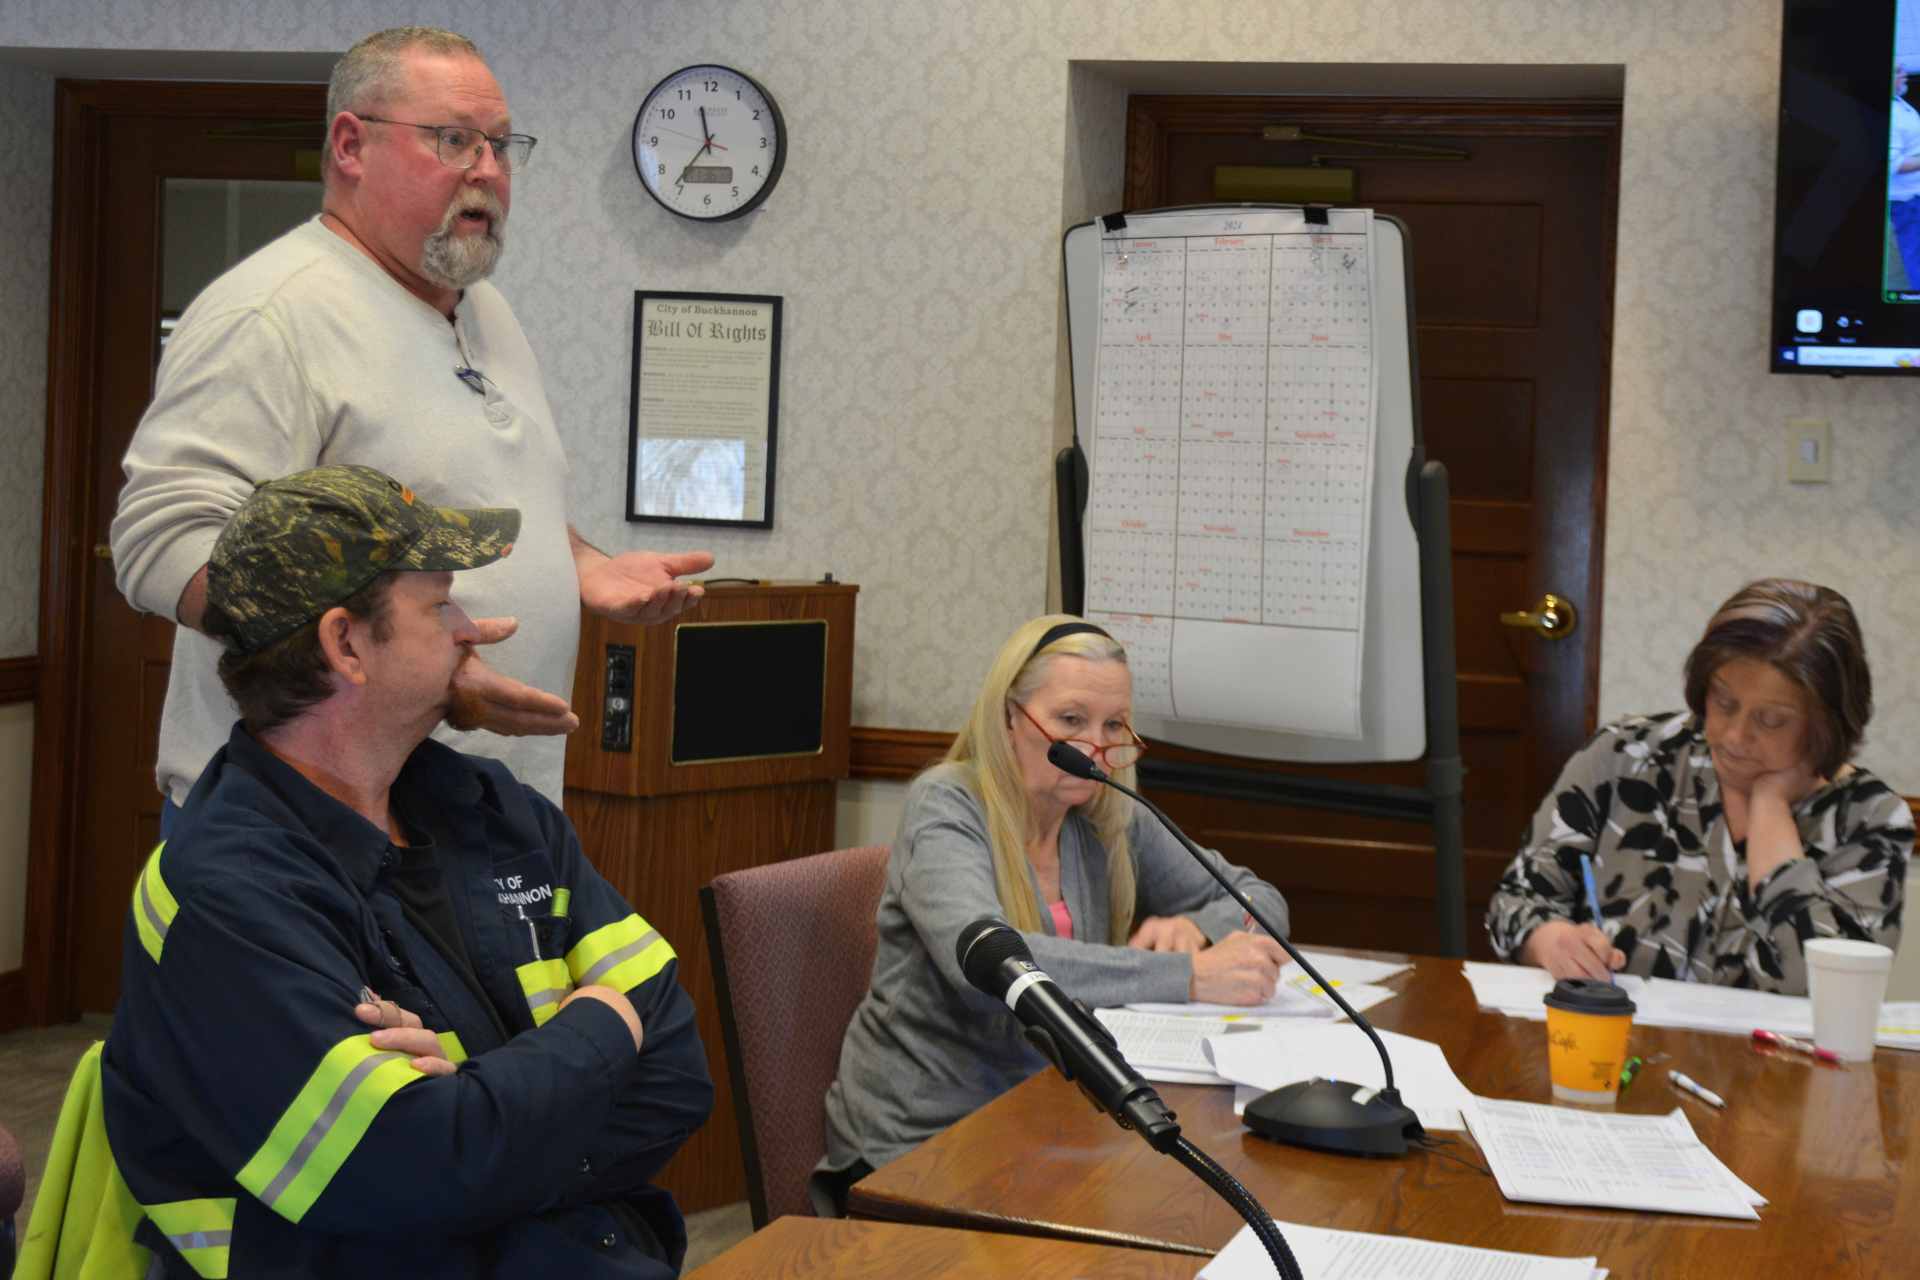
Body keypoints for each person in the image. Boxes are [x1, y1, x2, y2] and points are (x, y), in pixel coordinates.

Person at [101, 465, 713, 1276]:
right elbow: (411, 1165)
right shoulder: (225, 892)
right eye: (439, 604)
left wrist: (476, 1112)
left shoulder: (491, 808)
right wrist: (601, 1027)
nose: (470, 628)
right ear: (346, 644)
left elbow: (675, 1072)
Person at [110, 25, 712, 823]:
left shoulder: (485, 312)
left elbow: (452, 494)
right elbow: (163, 544)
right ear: (352, 146)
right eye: (455, 141)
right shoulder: (273, 313)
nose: (489, 172)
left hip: (474, 824)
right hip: (306, 830)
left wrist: (578, 563)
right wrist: (420, 673)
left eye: (501, 146)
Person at [819, 615, 1291, 1195]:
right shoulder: (946, 805)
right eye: (1071, 720)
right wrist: (1186, 975)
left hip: (1051, 1121)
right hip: (922, 1139)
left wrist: (1198, 928)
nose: (1096, 746)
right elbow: (987, 965)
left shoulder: (1106, 814)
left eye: (1113, 724)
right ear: (1010, 716)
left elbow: (1258, 899)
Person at [1485, 579, 1911, 994]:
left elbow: (1829, 992)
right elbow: (1514, 902)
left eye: (1771, 720)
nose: (1733, 737)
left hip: (1771, 1065)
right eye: (1723, 702)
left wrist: (1770, 807)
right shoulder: (1628, 756)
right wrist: (1549, 940)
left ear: (1826, 726)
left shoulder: (1870, 819)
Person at [1891, 61, 1920, 291]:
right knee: (1916, 255)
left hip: (1915, 195)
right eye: (1899, 72)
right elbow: (1895, 164)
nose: (1905, 75)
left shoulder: (1899, 103)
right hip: (1908, 201)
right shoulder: (1890, 114)